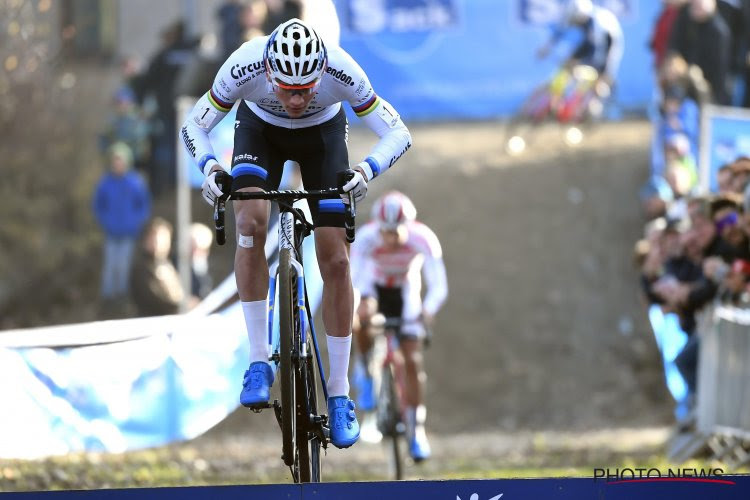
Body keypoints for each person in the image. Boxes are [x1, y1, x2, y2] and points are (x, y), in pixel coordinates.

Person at [179, 18, 412, 449]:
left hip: (323, 139)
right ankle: (257, 360)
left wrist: (367, 169)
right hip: (258, 132)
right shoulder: (243, 64)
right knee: (249, 221)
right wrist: (210, 168)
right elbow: (194, 126)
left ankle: (340, 393)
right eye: (288, 89)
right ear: (269, 73)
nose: (298, 98)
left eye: (306, 88)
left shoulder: (342, 70)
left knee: (337, 260)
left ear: (321, 74)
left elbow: (398, 131)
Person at [350, 191, 448, 461]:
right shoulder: (366, 238)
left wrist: (427, 311)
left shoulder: (423, 238)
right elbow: (353, 281)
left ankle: (416, 430)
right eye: (386, 232)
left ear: (410, 226)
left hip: (406, 290)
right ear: (377, 228)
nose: (391, 239)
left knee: (413, 360)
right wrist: (357, 310)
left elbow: (438, 285)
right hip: (374, 286)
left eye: (397, 232)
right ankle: (364, 368)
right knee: (360, 316)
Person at [92, 142, 151, 316]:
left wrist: (135, 222)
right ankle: (107, 300)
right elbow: (98, 205)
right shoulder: (105, 183)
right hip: (111, 232)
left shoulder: (135, 182)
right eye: (115, 160)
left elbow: (143, 205)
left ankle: (122, 299)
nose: (117, 164)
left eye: (120, 160)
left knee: (124, 265)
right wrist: (106, 221)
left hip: (128, 233)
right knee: (110, 266)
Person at [537, 0, 624, 93]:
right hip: (592, 44)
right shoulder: (583, 19)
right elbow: (561, 33)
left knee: (598, 79)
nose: (576, 24)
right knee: (569, 66)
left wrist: (601, 73)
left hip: (609, 45)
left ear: (580, 15)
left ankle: (597, 99)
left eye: (576, 20)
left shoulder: (596, 22)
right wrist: (548, 48)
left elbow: (597, 49)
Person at [130, 217, 190, 316]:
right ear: (145, 240)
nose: (158, 242)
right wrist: (182, 305)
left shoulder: (168, 265)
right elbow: (153, 298)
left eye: (163, 238)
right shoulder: (141, 268)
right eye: (154, 238)